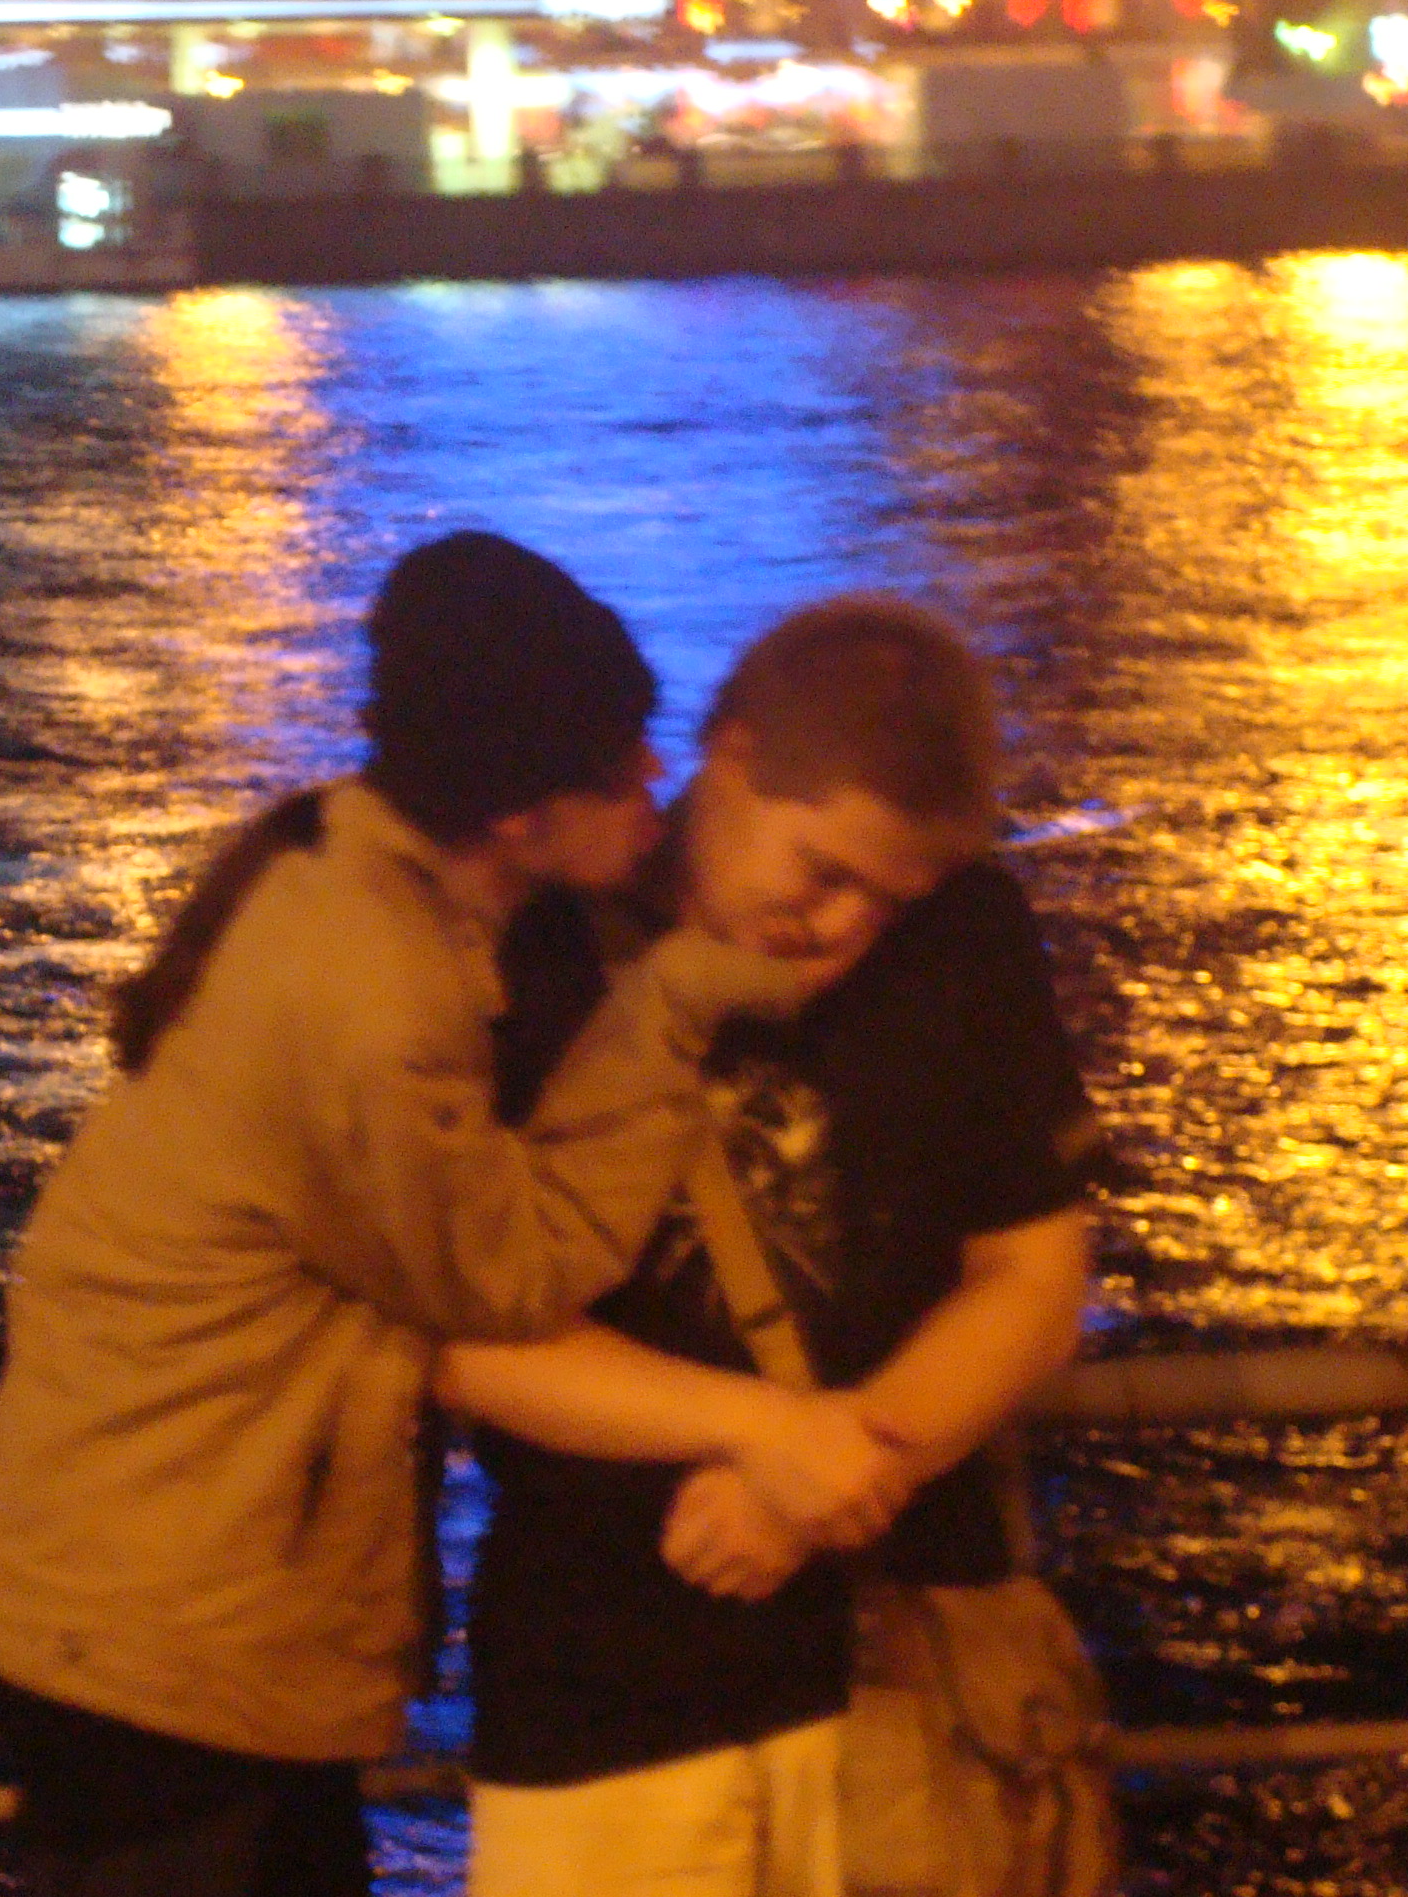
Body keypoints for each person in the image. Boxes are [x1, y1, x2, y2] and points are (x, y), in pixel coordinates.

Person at [0, 535, 903, 1897]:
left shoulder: (332, 874)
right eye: (617, 762)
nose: (656, 775)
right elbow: (507, 1277)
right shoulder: (375, 991)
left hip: (146, 1607)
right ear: (519, 817)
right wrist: (677, 999)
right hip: (167, 1640)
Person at [438, 596, 1103, 1897]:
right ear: (730, 757)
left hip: (900, 1676)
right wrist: (775, 1438)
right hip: (602, 1690)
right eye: (823, 870)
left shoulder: (969, 933)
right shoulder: (533, 945)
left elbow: (1033, 1278)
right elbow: (460, 1333)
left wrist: (822, 1480)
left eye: (890, 901)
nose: (844, 925)